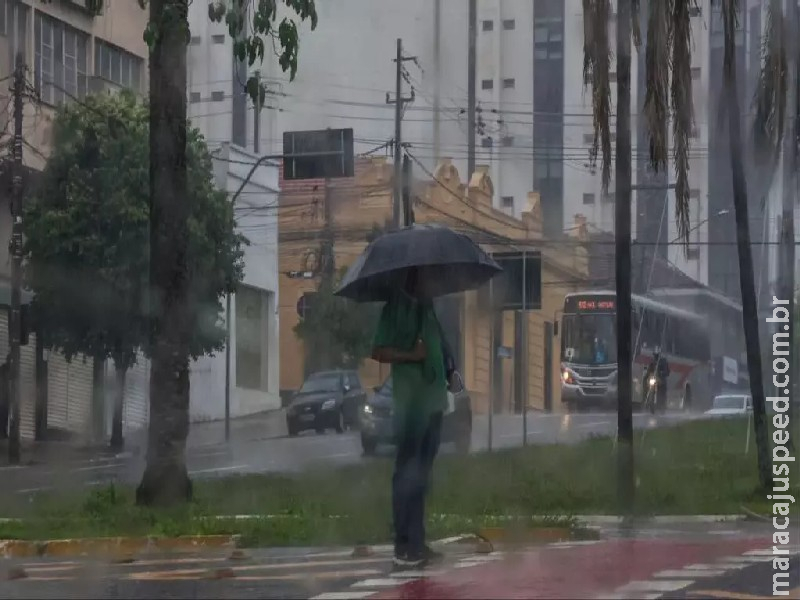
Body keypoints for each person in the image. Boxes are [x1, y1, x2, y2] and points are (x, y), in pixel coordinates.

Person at [371, 267, 449, 569]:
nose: (434, 282)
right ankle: (403, 543)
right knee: (407, 473)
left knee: (422, 475)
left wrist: (449, 368)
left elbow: (437, 346)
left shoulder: (427, 308)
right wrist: (411, 356)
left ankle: (417, 539)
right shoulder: (395, 308)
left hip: (433, 401)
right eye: (429, 277)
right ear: (414, 277)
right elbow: (378, 350)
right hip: (411, 405)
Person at [0, 354, 9, 440]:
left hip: (6, 398)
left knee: (5, 416)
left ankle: (3, 432)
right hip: (3, 398)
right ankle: (2, 432)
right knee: (3, 415)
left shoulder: (6, 369)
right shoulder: (3, 369)